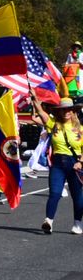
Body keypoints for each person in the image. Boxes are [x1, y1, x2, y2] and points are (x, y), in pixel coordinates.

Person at [40, 99, 83, 235]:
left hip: (75, 164)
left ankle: (77, 223)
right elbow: (40, 113)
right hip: (57, 163)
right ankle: (48, 221)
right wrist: (34, 98)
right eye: (63, 109)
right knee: (55, 193)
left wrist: (80, 162)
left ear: (73, 111)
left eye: (69, 109)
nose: (66, 112)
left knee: (77, 196)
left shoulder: (80, 129)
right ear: (59, 111)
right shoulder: (53, 125)